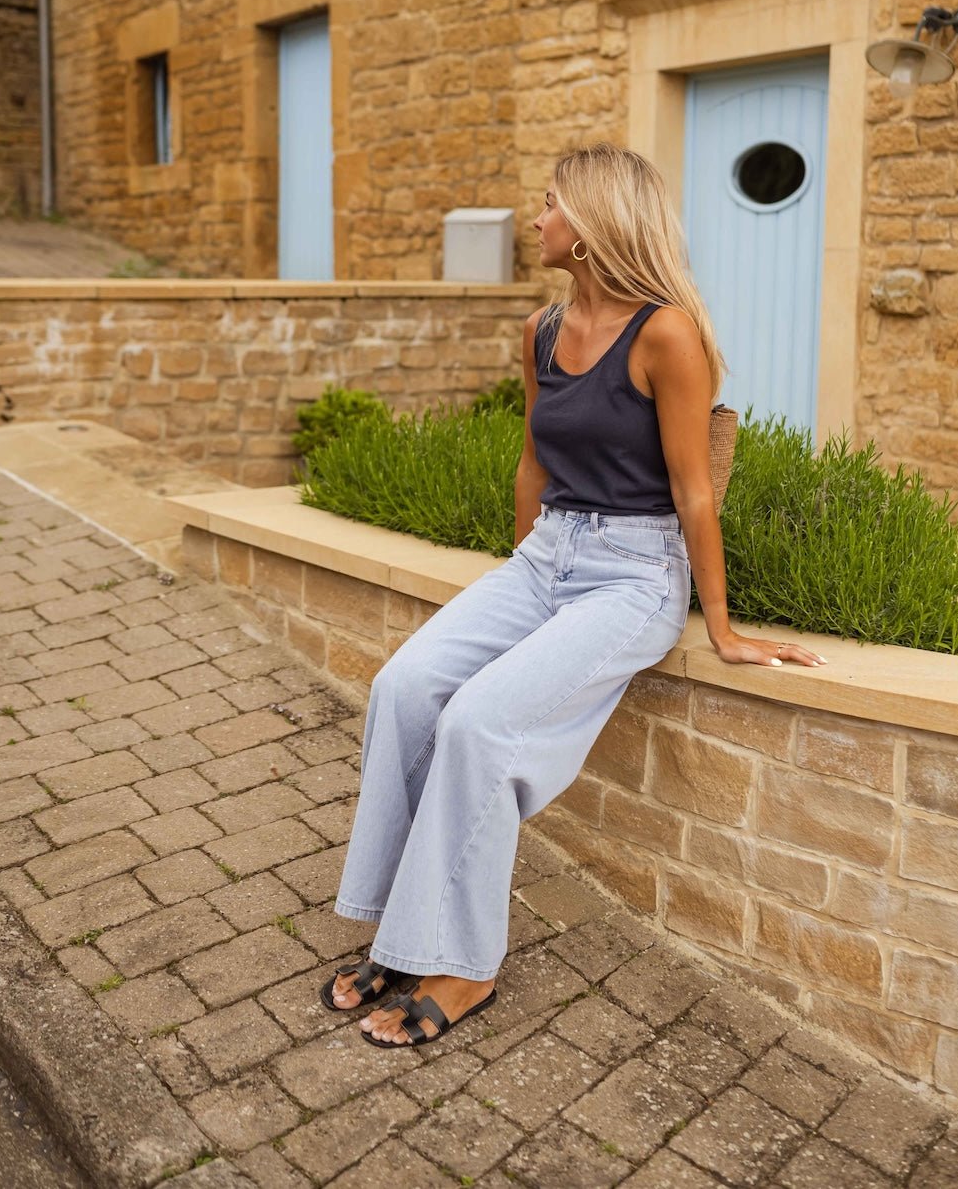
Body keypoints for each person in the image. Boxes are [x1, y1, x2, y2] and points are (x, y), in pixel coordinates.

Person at [322, 142, 826, 1049]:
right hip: (548, 556)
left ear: (591, 227)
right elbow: (534, 460)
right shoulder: (541, 332)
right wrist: (523, 583)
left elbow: (693, 491)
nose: (538, 219)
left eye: (551, 205)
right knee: (405, 688)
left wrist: (721, 624)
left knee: (478, 725)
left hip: (636, 573)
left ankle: (465, 965)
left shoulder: (668, 333)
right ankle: (402, 930)